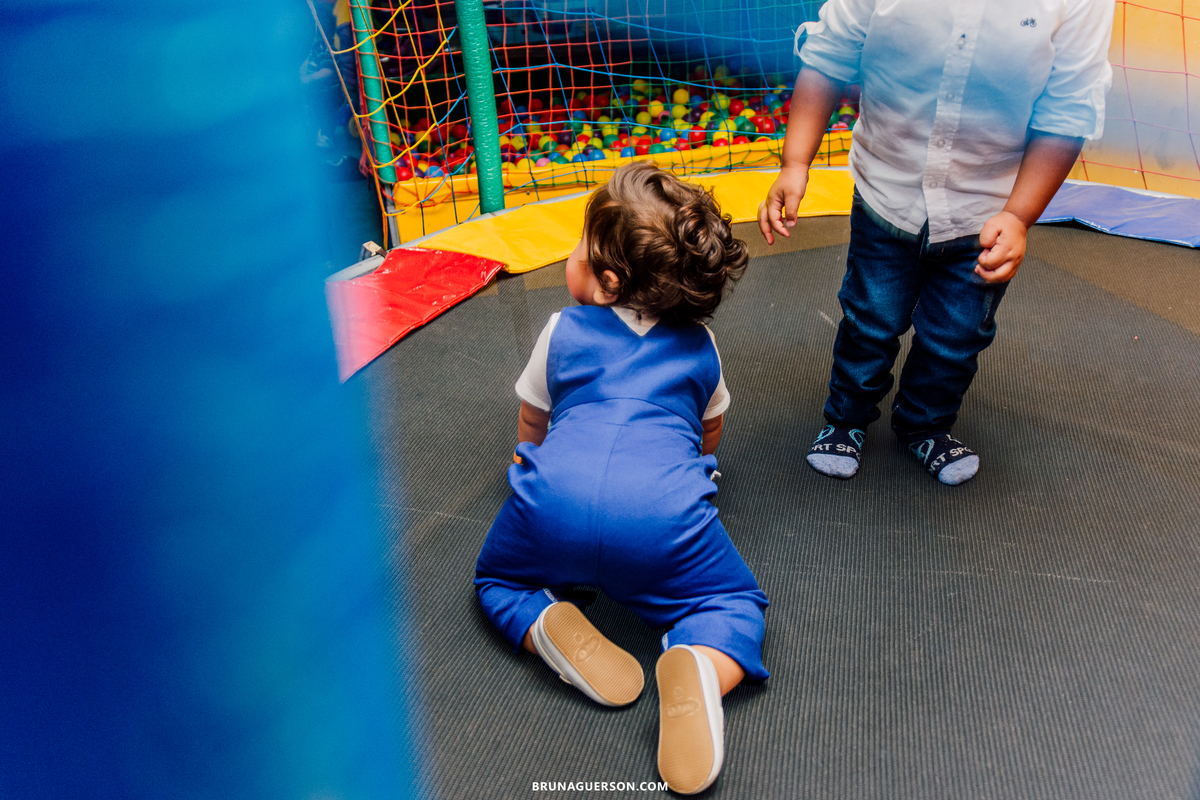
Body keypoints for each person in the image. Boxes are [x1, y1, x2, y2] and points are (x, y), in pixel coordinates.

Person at [474, 162, 766, 795]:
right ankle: (701, 662)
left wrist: (528, 464)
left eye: (579, 245)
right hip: (663, 518)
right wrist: (697, 473)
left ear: (607, 282)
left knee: (497, 581)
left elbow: (533, 420)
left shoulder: (562, 329)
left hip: (552, 502)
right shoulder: (701, 346)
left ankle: (542, 623)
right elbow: (709, 430)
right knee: (733, 604)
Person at [760, 0, 1114, 484]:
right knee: (869, 320)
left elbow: (1068, 110)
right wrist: (795, 163)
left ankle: (924, 425)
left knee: (956, 336)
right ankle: (846, 418)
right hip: (886, 191)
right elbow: (829, 58)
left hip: (986, 207)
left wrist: (1018, 216)